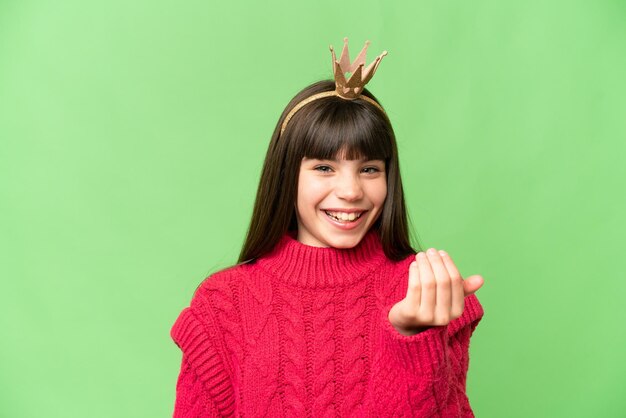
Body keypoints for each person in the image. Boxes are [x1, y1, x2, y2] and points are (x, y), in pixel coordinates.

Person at [171, 38, 485, 417]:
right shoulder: (224, 305)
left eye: (370, 169)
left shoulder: (424, 291)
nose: (351, 191)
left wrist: (411, 338)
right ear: (287, 175)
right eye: (324, 168)